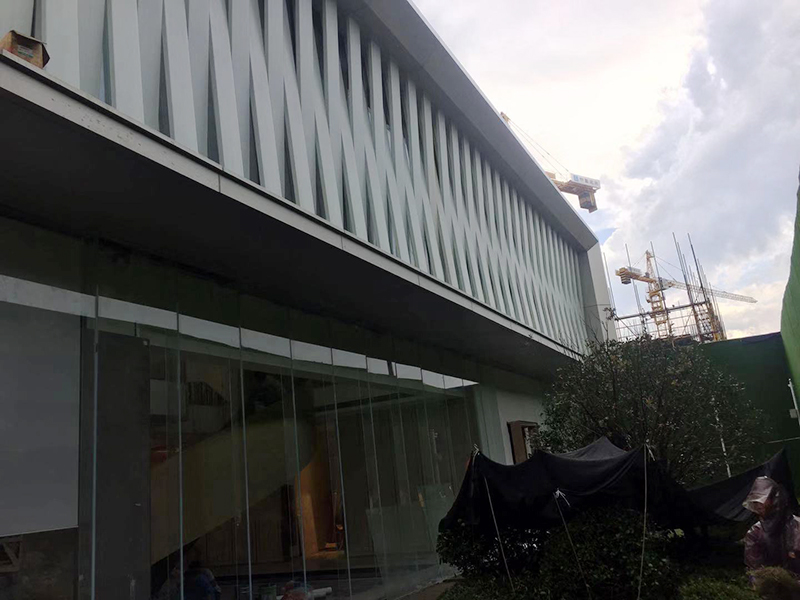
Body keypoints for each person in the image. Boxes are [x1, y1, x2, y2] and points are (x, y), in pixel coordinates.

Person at [743, 476, 800, 574]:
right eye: (755, 502)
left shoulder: (797, 526)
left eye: (761, 501)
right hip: (771, 581)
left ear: (774, 500)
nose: (758, 505)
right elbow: (754, 568)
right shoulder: (755, 532)